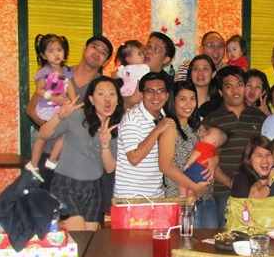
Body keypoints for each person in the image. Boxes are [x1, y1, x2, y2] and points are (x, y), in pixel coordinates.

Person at [39, 76, 123, 257]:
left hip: (93, 189)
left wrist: (106, 144)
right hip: (65, 186)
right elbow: (44, 133)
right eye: (101, 93)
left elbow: (109, 167)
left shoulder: (115, 128)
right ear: (91, 99)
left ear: (118, 100)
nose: (107, 99)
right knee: (77, 245)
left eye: (112, 94)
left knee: (88, 250)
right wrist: (60, 116)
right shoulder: (76, 117)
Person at [26, 35, 114, 189]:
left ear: (106, 61)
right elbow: (31, 109)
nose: (97, 52)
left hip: (79, 162)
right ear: (84, 49)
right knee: (39, 199)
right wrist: (53, 129)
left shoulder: (102, 87)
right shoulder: (57, 72)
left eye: (103, 52)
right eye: (94, 47)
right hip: (48, 153)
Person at [202, 66, 266, 227]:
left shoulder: (259, 117)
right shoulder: (211, 120)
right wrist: (229, 182)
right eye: (229, 86)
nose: (236, 91)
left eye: (240, 85)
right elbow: (206, 159)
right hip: (222, 191)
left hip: (254, 190)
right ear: (221, 91)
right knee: (225, 235)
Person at [158, 81, 218, 228]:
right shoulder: (170, 128)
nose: (189, 104)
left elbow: (214, 147)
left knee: (210, 241)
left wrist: (215, 160)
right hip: (182, 201)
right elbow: (165, 166)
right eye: (183, 99)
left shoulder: (197, 126)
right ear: (173, 101)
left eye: (192, 99)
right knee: (186, 241)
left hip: (206, 196)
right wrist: (194, 187)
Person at [113, 72, 174, 199]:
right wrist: (157, 130)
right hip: (131, 197)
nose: (156, 96)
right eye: (150, 91)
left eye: (161, 91)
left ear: (167, 95)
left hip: (155, 195)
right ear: (141, 95)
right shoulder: (132, 118)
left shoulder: (164, 117)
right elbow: (134, 158)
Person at [27, 33, 75, 176]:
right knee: (43, 136)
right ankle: (33, 163)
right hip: (46, 108)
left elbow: (70, 86)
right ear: (43, 55)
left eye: (59, 50)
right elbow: (39, 91)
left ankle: (52, 159)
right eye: (51, 51)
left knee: (65, 133)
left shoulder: (66, 71)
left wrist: (73, 101)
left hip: (58, 108)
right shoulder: (45, 72)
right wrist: (55, 98)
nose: (56, 54)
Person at [179, 127, 227, 197]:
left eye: (207, 133)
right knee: (191, 190)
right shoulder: (212, 150)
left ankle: (183, 198)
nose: (204, 133)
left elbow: (195, 154)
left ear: (214, 142)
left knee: (182, 181)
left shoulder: (203, 145)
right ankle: (191, 198)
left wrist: (187, 164)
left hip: (198, 169)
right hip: (206, 175)